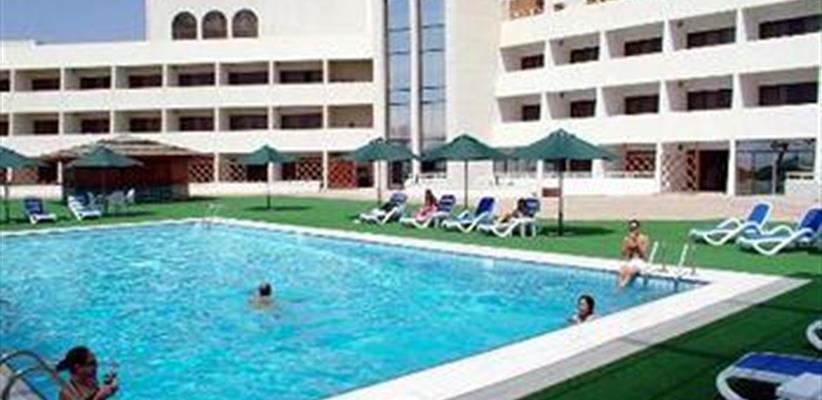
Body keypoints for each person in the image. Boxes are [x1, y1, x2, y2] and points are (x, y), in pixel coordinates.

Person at [617, 219, 650, 288]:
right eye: (631, 229)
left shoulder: (644, 238)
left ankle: (622, 287)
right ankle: (619, 288)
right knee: (621, 270)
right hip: (631, 261)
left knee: (631, 270)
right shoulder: (627, 239)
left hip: (641, 262)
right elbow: (623, 254)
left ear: (638, 228)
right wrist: (626, 245)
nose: (632, 230)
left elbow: (644, 255)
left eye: (634, 228)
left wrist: (637, 242)